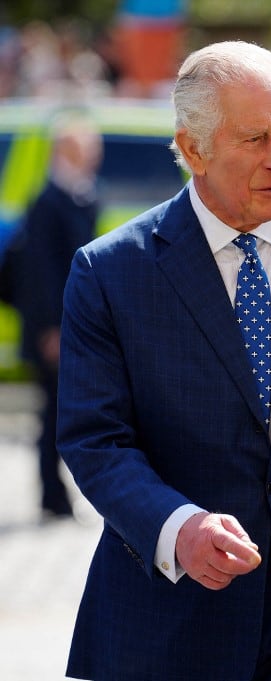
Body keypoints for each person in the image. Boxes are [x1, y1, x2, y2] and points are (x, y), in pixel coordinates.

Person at [56, 41, 271, 681]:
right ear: (193, 150)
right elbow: (95, 440)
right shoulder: (111, 272)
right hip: (175, 619)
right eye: (253, 139)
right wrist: (178, 527)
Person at [11, 111, 102, 520]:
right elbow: (42, 274)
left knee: (63, 409)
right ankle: (51, 493)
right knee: (54, 412)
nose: (94, 155)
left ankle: (57, 492)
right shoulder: (48, 202)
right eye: (86, 148)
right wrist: (52, 329)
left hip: (72, 323)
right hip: (55, 327)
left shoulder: (81, 194)